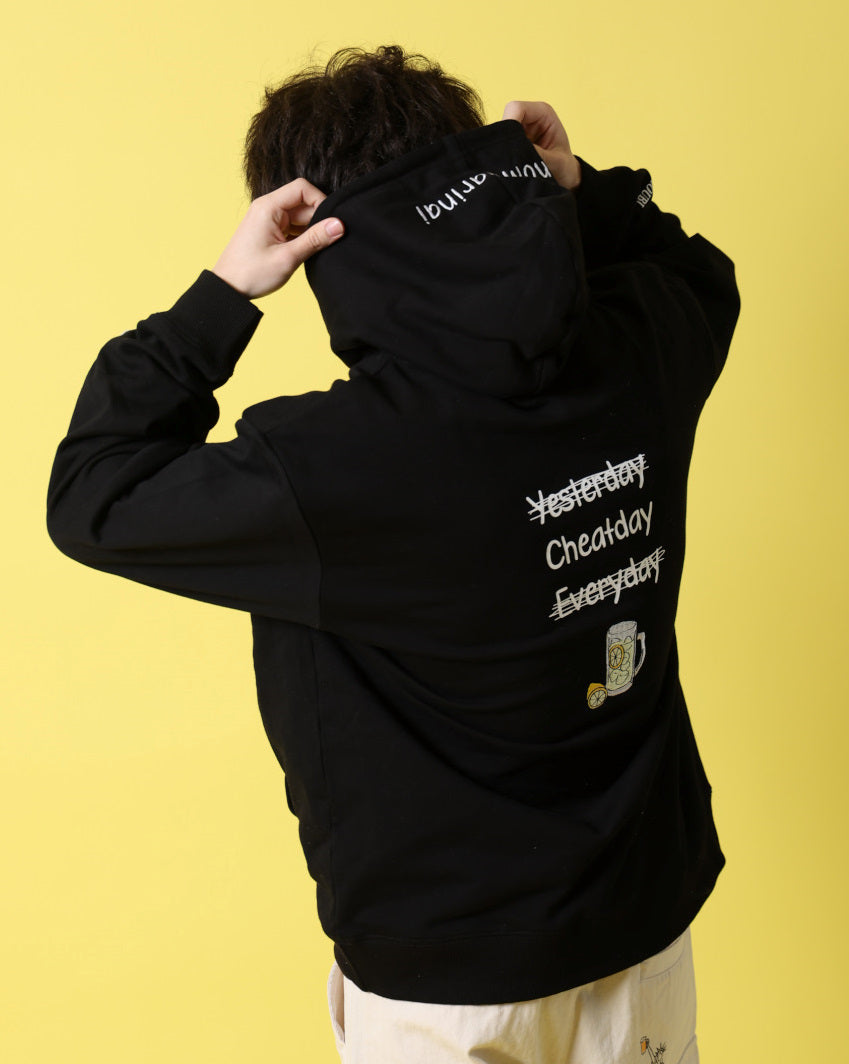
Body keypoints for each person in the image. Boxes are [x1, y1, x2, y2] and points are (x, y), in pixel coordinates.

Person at [47, 44, 740, 1064]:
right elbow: (700, 274)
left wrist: (226, 293)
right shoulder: (641, 345)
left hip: (446, 984)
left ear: (317, 235)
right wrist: (578, 191)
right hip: (644, 932)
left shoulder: (325, 465)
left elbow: (91, 493)